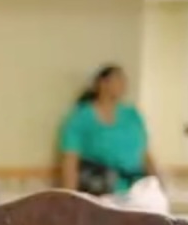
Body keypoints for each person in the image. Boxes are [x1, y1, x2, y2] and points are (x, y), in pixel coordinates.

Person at [58, 64, 156, 196]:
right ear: (102, 84)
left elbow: (145, 153)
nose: (123, 85)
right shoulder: (81, 117)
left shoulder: (132, 115)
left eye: (124, 80)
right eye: (118, 79)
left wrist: (157, 182)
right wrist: (70, 196)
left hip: (135, 189)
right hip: (100, 188)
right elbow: (70, 160)